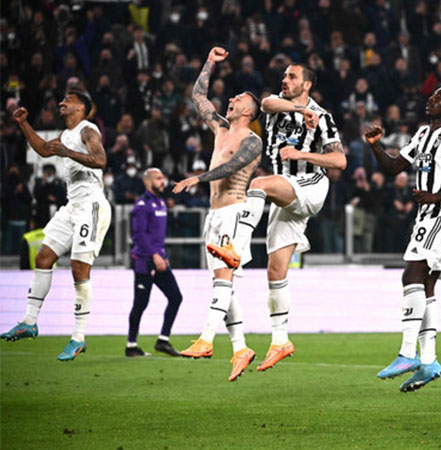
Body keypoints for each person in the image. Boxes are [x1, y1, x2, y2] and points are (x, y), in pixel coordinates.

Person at [364, 84, 441, 392]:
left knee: (411, 274)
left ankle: (407, 353)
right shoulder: (421, 134)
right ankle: (429, 361)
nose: (432, 99)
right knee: (426, 285)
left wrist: (435, 197)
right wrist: (376, 146)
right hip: (426, 216)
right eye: (432, 95)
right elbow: (393, 167)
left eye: (440, 97)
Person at [244, 62, 346, 372]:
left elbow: (339, 160)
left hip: (311, 184)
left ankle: (237, 245)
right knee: (275, 270)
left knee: (258, 184)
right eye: (284, 75)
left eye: (292, 76)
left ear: (307, 84)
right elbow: (266, 103)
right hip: (285, 190)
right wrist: (301, 111)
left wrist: (302, 154)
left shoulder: (323, 117)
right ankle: (280, 341)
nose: (285, 79)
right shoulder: (279, 105)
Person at [171, 47, 263, 382]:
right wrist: (209, 61)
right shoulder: (220, 128)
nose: (232, 98)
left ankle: (206, 339)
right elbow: (198, 96)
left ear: (248, 110)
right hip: (214, 215)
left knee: (224, 278)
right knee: (223, 284)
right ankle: (240, 348)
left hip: (235, 212)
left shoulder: (252, 141)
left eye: (239, 98)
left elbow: (232, 167)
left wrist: (197, 178)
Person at [1, 91, 112, 362]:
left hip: (92, 206)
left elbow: (101, 160)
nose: (62, 103)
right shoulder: (65, 134)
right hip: (72, 206)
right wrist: (24, 124)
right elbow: (42, 149)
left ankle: (78, 337)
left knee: (78, 269)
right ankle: (29, 322)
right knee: (43, 258)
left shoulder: (88, 130)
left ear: (81, 107)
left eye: (68, 100)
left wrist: (68, 152)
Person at [126, 168, 183, 358]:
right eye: (158, 178)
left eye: (162, 178)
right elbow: (138, 235)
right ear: (148, 182)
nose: (162, 181)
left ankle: (163, 340)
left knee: (175, 297)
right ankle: (131, 345)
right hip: (144, 261)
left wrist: (162, 255)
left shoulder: (161, 202)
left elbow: (157, 235)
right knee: (140, 303)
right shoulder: (142, 205)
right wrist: (154, 255)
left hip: (159, 259)